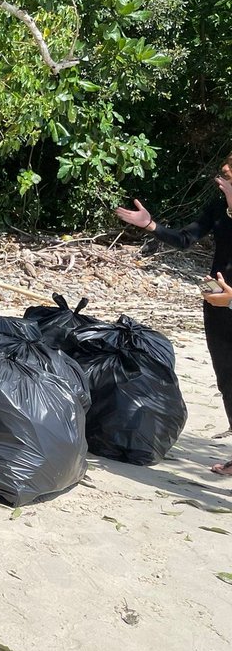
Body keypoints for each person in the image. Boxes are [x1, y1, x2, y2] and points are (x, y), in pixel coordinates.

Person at [116, 153, 232, 450]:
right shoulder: (219, 208)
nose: (222, 180)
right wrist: (150, 225)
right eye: (224, 175)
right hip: (216, 303)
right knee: (227, 382)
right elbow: (185, 239)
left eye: (229, 178)